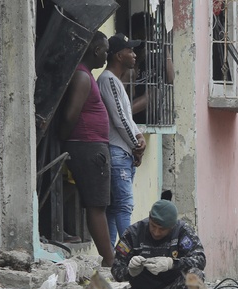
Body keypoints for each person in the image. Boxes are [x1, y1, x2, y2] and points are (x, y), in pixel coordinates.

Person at [58, 31, 114, 267]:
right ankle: (111, 261)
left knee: (94, 202)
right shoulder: (82, 76)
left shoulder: (86, 75)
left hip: (90, 145)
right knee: (97, 204)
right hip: (88, 146)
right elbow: (71, 114)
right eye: (106, 51)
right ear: (96, 50)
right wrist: (62, 139)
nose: (106, 56)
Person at [111, 200, 207, 289]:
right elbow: (116, 270)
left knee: (195, 275)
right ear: (149, 218)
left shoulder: (182, 231)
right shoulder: (133, 234)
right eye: (153, 226)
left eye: (162, 229)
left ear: (172, 226)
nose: (156, 232)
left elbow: (200, 259)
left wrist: (172, 263)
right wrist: (130, 271)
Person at [98, 33, 147, 246]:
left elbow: (127, 118)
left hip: (121, 151)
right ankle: (131, 253)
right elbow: (119, 119)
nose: (134, 54)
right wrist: (136, 144)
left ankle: (111, 256)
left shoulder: (115, 81)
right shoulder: (108, 80)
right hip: (118, 151)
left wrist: (139, 138)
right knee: (124, 206)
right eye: (130, 50)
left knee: (114, 207)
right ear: (119, 55)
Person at [127, 11, 174, 124]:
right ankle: (124, 115)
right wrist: (138, 61)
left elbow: (170, 78)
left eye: (152, 32)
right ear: (137, 35)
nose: (152, 35)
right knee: (151, 93)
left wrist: (165, 49)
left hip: (151, 115)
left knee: (154, 91)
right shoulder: (129, 56)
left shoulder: (155, 56)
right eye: (147, 32)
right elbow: (130, 92)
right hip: (133, 113)